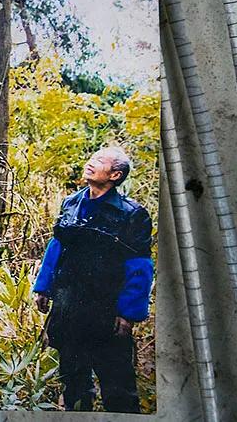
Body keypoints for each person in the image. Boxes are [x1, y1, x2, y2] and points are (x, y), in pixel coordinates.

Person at [32, 147, 154, 413]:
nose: (90, 163)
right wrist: (43, 288)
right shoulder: (71, 203)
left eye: (99, 161)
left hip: (106, 311)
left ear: (115, 175)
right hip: (69, 308)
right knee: (74, 384)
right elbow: (56, 247)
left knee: (118, 388)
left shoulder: (132, 214)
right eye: (92, 158)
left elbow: (140, 267)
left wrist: (128, 314)